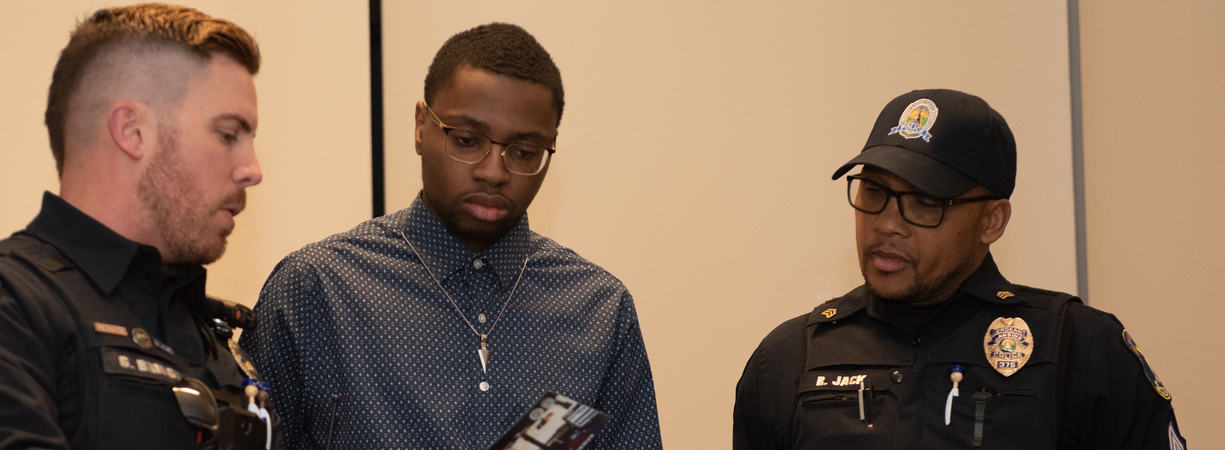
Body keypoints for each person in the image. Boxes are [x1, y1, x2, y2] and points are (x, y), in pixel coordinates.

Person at [241, 23, 662, 449]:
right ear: (422, 125)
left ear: (551, 147)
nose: (493, 171)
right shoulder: (314, 290)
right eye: (466, 140)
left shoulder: (600, 311)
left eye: (523, 152)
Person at [0, 4, 272, 449]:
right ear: (132, 131)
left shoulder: (210, 337)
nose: (252, 169)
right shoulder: (1, 311)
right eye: (227, 134)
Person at [733, 89, 1187, 449]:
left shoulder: (1081, 350)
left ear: (992, 220)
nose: (887, 223)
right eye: (872, 191)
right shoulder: (788, 360)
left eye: (925, 203)